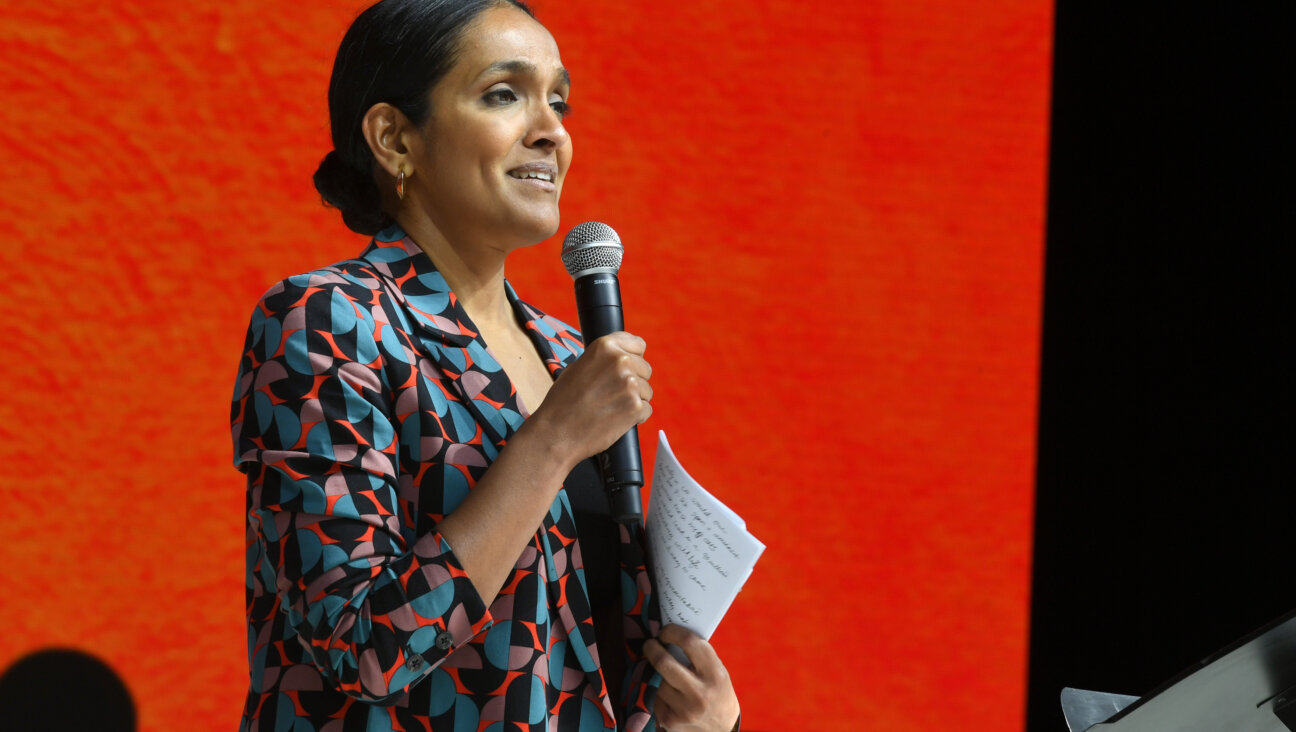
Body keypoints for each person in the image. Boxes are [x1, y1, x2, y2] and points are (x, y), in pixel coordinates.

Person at [229, 1, 742, 730]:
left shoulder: (567, 354)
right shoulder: (329, 322)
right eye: (504, 94)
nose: (551, 131)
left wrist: (691, 716)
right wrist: (553, 440)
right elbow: (365, 651)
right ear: (394, 137)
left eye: (559, 101)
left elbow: (582, 658)